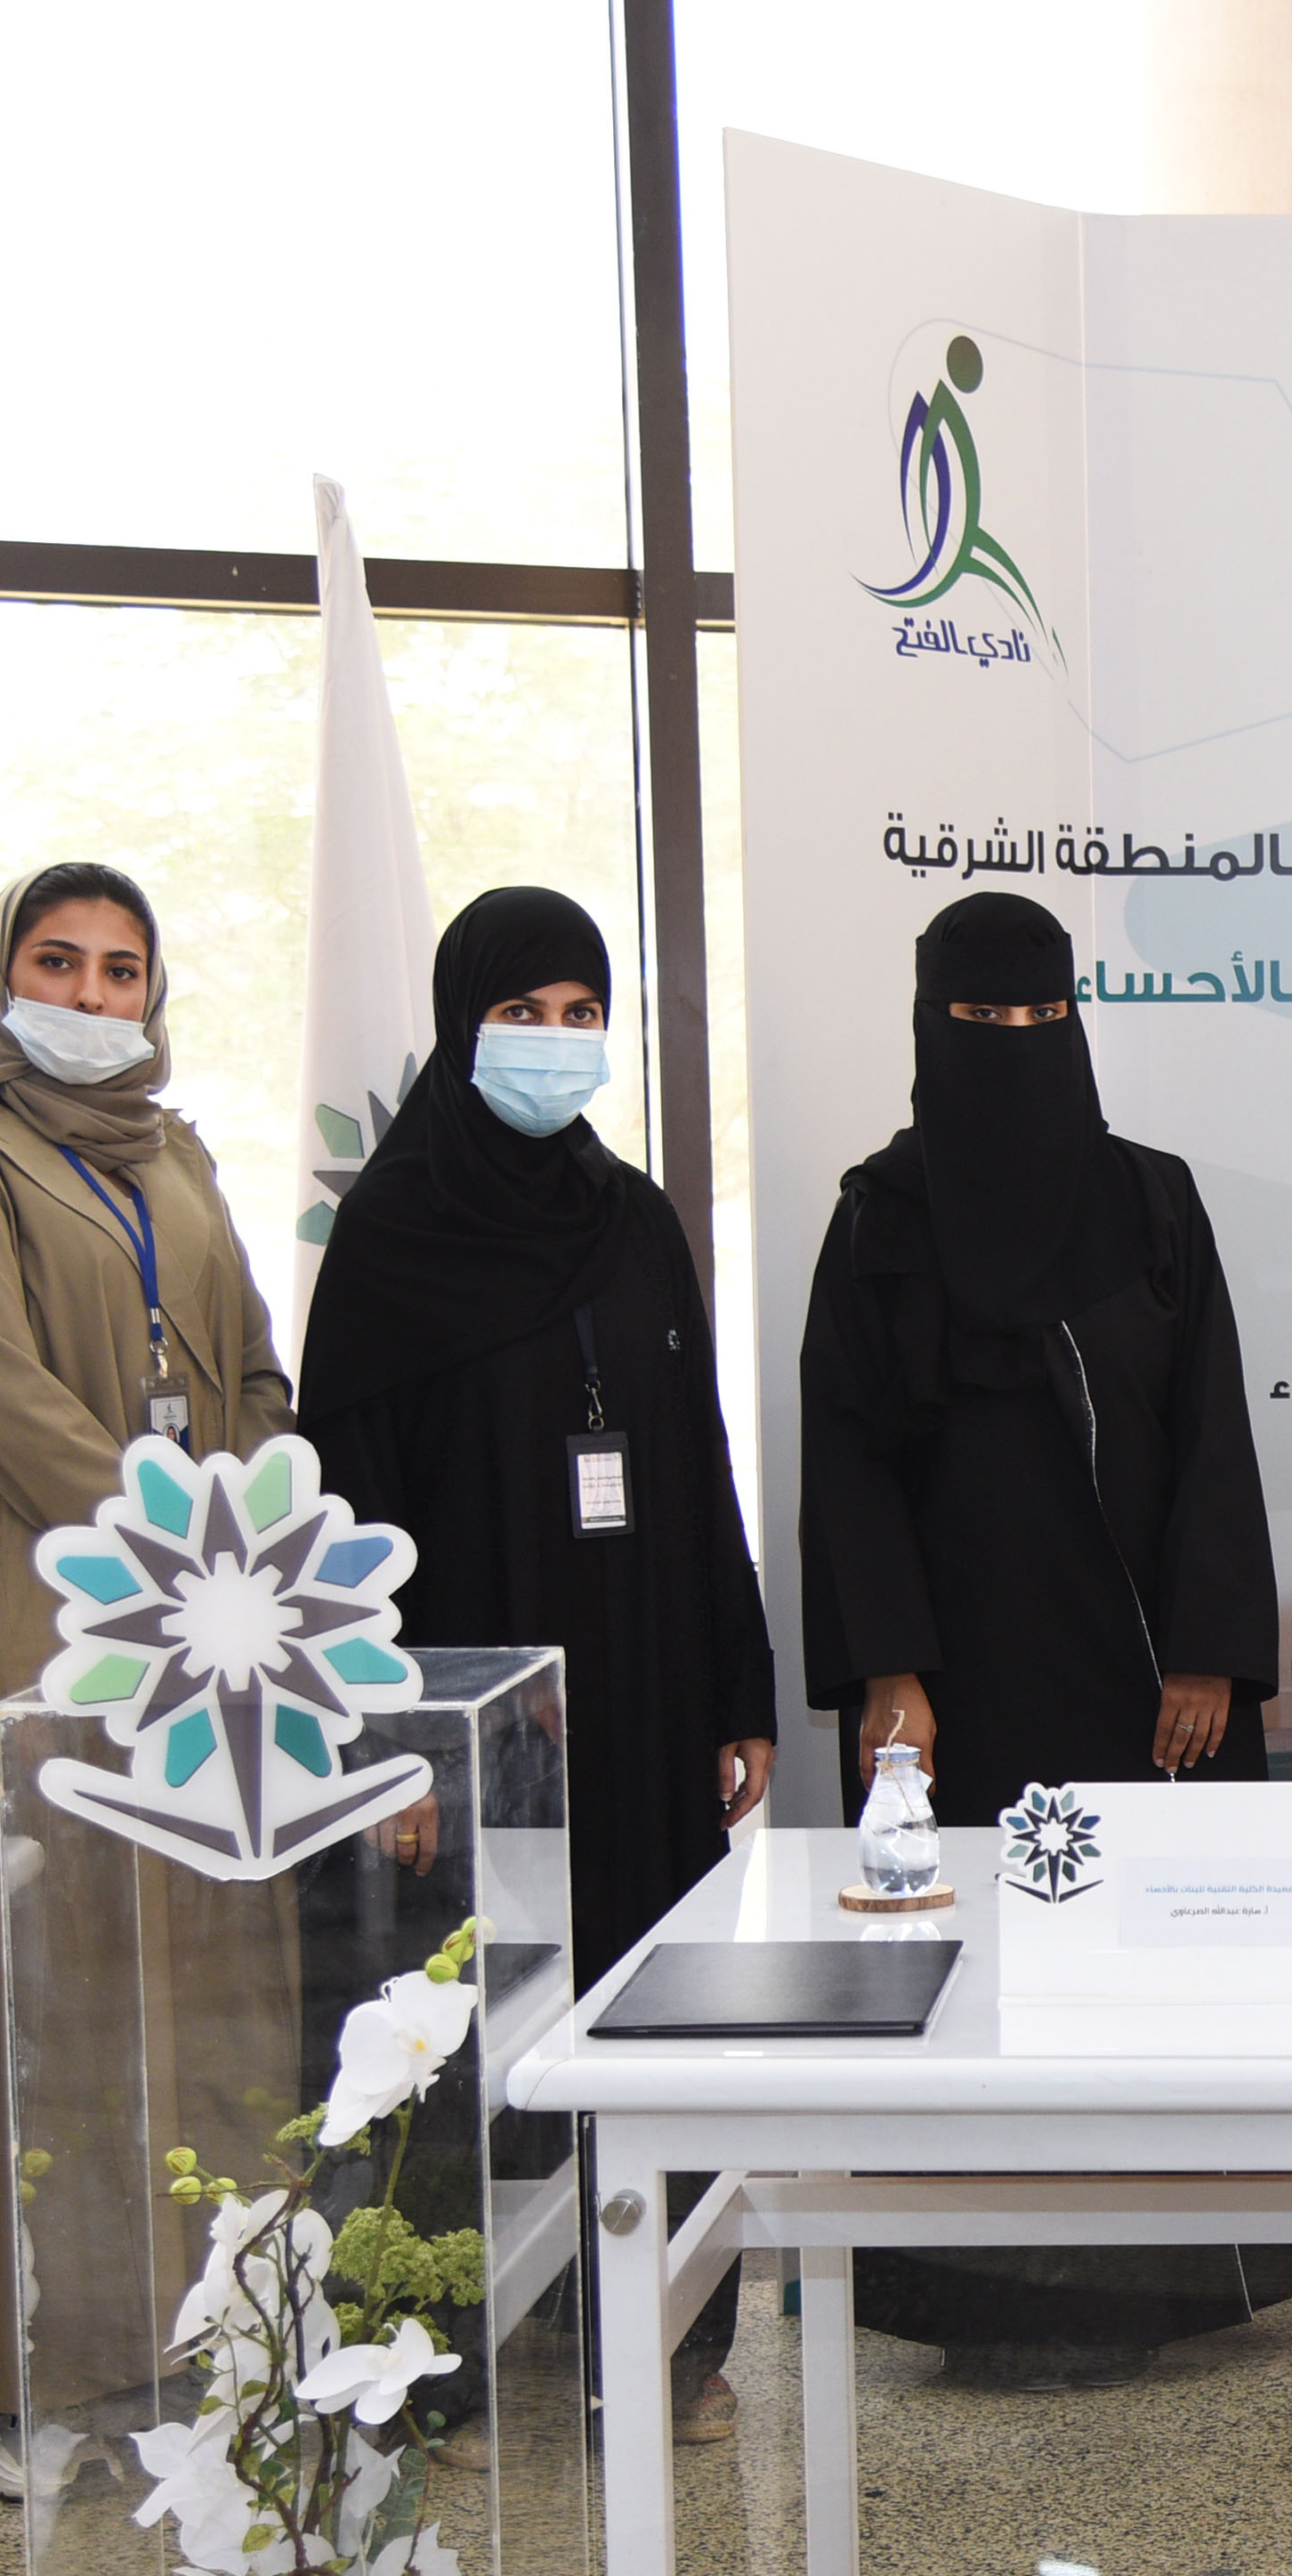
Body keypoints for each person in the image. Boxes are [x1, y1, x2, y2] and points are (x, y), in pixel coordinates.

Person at [795, 889, 1292, 2386]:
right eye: (983, 1023)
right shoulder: (878, 1219)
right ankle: (987, 2299)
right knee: (979, 1977)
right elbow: (843, 1457)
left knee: (1151, 1975)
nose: (1018, 1047)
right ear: (928, 1026)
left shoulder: (1153, 1201)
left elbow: (1214, 1429)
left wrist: (1213, 1654)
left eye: (1044, 1019)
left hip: (1146, 1675)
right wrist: (886, 1672)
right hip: (959, 1689)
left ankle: (1159, 2289)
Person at [301, 887, 772, 2442]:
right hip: (475, 1705)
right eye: (527, 1014)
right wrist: (383, 1736)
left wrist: (737, 1686)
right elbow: (348, 1514)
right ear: (460, 1023)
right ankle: (430, 2355)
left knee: (648, 2000)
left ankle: (656, 2344)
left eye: (584, 1015)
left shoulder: (629, 1214)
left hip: (639, 1693)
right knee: (471, 2018)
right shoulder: (387, 1239)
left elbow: (694, 1465)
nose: (559, 1045)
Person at [0, 863, 299, 2500]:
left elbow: (250, 1355)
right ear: (3, 976)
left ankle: (201, 2344)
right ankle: (21, 2383)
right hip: (31, 1610)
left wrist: (245, 1504)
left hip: (203, 1612)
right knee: (28, 1986)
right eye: (57, 961)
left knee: (194, 1983)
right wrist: (167, 1531)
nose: (92, 993)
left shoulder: (173, 1147)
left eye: (122, 969)